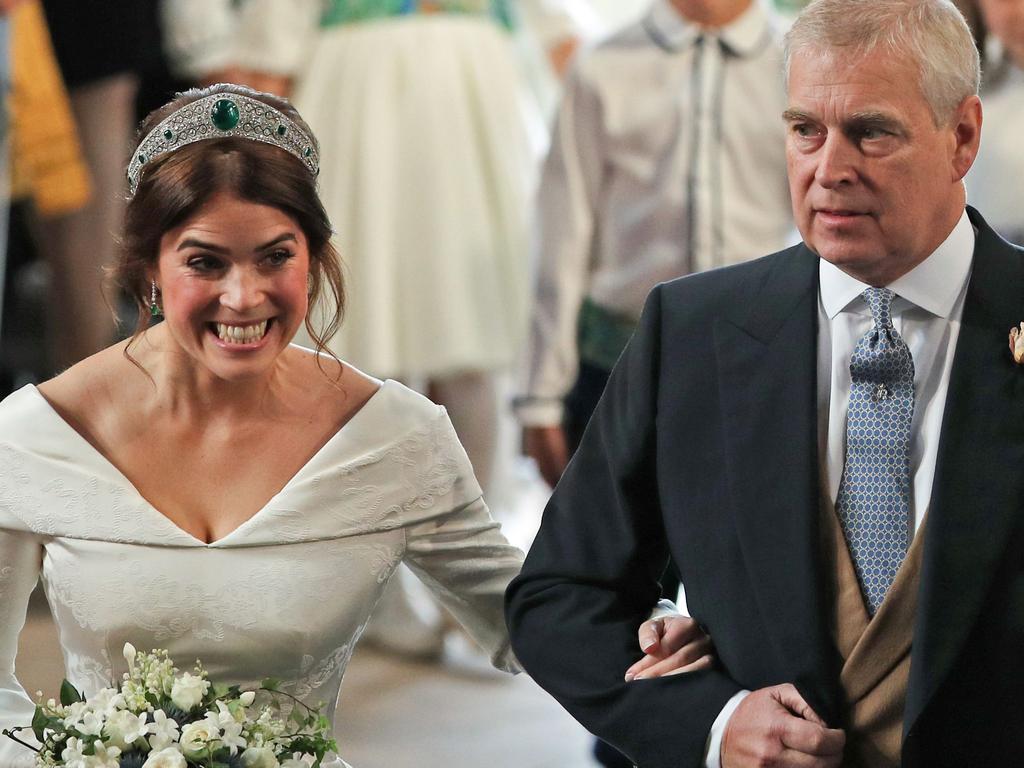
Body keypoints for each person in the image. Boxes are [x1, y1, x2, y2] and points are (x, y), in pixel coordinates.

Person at [0, 83, 702, 768]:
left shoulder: (393, 436)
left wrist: (658, 637)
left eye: (275, 255)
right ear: (148, 267)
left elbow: (525, 617)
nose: (243, 297)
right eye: (205, 261)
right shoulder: (36, 434)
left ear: (315, 255)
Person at [507, 0, 1023, 765]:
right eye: (805, 130)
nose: (829, 169)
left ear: (963, 137)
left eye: (872, 132)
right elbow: (560, 597)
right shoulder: (692, 331)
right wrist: (713, 725)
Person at [515, 0, 793, 491]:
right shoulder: (603, 66)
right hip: (619, 371)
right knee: (617, 562)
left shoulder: (802, 62)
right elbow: (562, 235)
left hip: (765, 370)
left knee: (749, 560)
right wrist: (541, 396)